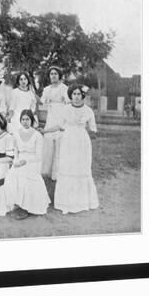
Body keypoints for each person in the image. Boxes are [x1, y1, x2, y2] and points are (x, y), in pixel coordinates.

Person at [45, 84, 99, 214]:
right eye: (74, 94)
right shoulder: (66, 109)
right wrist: (45, 130)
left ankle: (81, 201)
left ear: (83, 96)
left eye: (79, 94)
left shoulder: (88, 111)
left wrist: (90, 133)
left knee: (80, 167)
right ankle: (66, 202)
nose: (76, 96)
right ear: (70, 95)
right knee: (67, 167)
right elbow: (59, 125)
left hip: (81, 142)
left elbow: (93, 128)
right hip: (68, 141)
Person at [5, 109, 50, 220]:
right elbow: (15, 151)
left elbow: (39, 156)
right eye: (23, 119)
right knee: (12, 176)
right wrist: (16, 162)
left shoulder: (37, 135)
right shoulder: (16, 134)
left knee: (26, 178)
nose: (25, 122)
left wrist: (26, 162)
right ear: (20, 121)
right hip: (19, 160)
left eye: (27, 119)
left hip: (32, 162)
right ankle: (16, 204)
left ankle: (26, 207)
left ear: (32, 121)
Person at [40, 66, 69, 179]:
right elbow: (42, 101)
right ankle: (46, 171)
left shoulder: (64, 88)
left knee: (59, 144)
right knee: (48, 142)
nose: (53, 76)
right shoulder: (47, 89)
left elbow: (68, 104)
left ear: (59, 76)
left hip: (61, 116)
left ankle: (57, 174)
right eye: (51, 74)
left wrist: (65, 121)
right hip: (51, 117)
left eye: (55, 73)